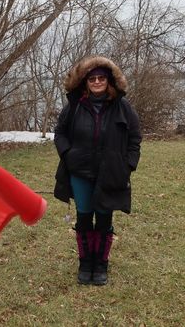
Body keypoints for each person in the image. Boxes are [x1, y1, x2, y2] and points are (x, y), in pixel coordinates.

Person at [53, 56, 141, 285]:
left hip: (110, 173)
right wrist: (68, 154)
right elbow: (60, 133)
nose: (97, 81)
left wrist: (129, 164)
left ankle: (101, 265)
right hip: (80, 172)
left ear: (109, 81)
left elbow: (134, 137)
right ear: (85, 82)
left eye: (102, 77)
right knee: (84, 218)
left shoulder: (122, 108)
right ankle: (85, 264)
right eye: (92, 78)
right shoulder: (74, 106)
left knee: (104, 218)